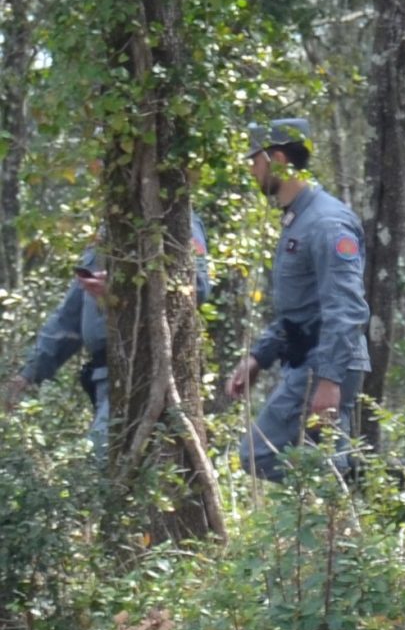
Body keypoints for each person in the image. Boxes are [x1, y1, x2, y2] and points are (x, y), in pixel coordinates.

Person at [222, 118, 369, 480]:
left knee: (259, 455)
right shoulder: (299, 220)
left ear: (278, 160)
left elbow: (346, 307)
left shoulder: (326, 223)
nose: (252, 170)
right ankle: (343, 512)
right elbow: (300, 310)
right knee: (325, 462)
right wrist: (259, 356)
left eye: (255, 160)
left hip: (324, 363)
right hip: (312, 361)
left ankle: (357, 493)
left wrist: (330, 381)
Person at [6, 218, 210, 460]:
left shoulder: (176, 219)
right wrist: (29, 373)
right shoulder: (107, 228)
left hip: (146, 369)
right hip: (105, 376)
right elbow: (69, 317)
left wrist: (125, 292)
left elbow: (196, 288)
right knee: (112, 470)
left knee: (98, 463)